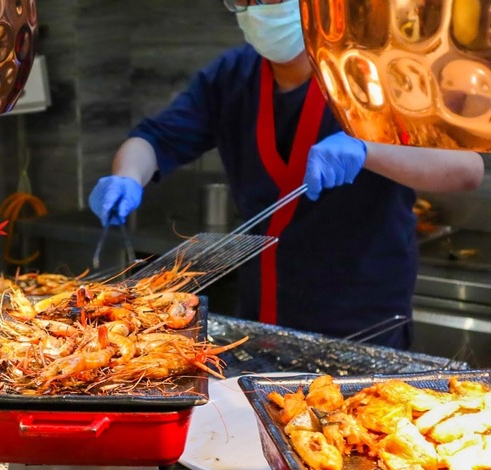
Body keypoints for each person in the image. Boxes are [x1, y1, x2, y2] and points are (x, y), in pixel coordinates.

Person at [87, 0, 484, 349]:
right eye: (242, 0)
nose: (256, 10)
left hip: (359, 321)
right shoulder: (232, 76)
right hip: (261, 316)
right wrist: (127, 176)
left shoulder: (375, 71)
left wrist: (368, 151)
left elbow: (466, 170)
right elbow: (153, 141)